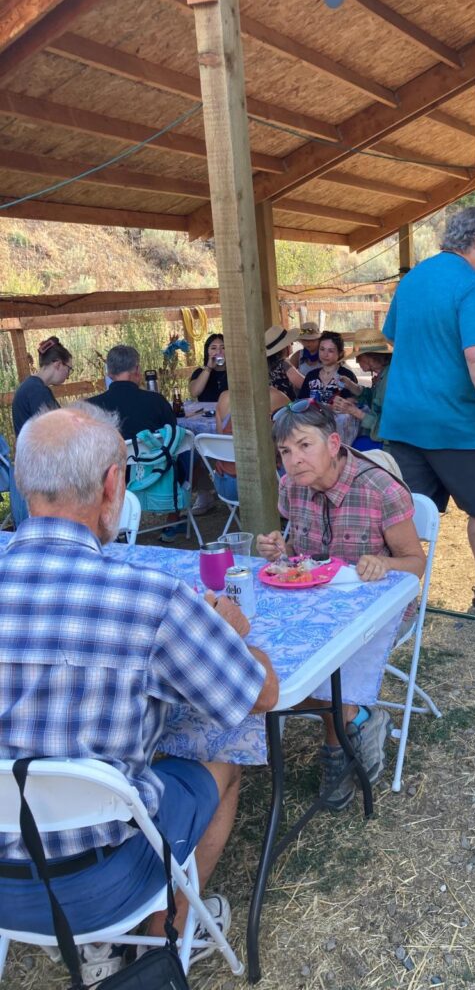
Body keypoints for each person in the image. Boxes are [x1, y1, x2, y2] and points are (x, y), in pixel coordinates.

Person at [0, 404, 277, 982]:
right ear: (113, 485)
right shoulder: (152, 599)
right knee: (222, 756)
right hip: (99, 886)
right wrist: (232, 631)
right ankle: (163, 932)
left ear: (24, 483)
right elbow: (261, 694)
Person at [256, 400, 425, 810]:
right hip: (314, 601)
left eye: (304, 446)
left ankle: (336, 748)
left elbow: (416, 563)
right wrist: (278, 549)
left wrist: (383, 562)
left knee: (329, 668)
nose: (294, 461)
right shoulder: (290, 487)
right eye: (285, 452)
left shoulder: (380, 489)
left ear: (333, 443)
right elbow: (300, 551)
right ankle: (360, 717)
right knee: (258, 658)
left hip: (380, 609)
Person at [380, 204, 475, 611]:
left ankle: (396, 598)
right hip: (459, 423)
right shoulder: (474, 285)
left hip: (402, 420)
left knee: (407, 514)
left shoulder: (413, 279)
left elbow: (394, 340)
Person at [212, 386, 290, 500]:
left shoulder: (224, 397)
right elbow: (289, 443)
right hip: (266, 484)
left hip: (226, 485)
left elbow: (222, 441)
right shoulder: (278, 397)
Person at [88, 344, 175, 440]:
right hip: (156, 454)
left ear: (109, 373)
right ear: (137, 369)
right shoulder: (157, 401)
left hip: (115, 455)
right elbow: (174, 436)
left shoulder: (91, 407)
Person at [330, 327, 392, 450]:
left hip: (389, 445)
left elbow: (386, 428)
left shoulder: (389, 380)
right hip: (381, 438)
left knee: (345, 449)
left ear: (370, 357)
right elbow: (373, 398)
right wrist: (351, 385)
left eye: (358, 357)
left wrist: (354, 411)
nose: (357, 361)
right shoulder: (382, 375)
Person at [11, 336, 72, 436]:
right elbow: (55, 431)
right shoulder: (38, 391)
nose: (68, 376)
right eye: (69, 369)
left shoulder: (30, 386)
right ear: (58, 364)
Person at [298, 330, 357, 404]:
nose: (325, 354)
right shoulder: (311, 376)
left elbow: (352, 405)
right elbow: (301, 402)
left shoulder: (347, 376)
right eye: (322, 349)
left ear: (340, 353)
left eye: (331, 351)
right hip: (312, 415)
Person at [265, 324, 303, 401]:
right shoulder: (283, 364)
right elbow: (302, 383)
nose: (292, 345)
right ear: (284, 347)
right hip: (286, 406)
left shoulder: (265, 364)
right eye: (290, 343)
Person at [188, 333, 227, 402]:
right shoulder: (200, 372)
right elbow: (194, 393)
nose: (218, 351)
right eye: (213, 348)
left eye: (223, 347)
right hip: (207, 412)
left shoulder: (236, 373)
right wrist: (208, 368)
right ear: (207, 351)